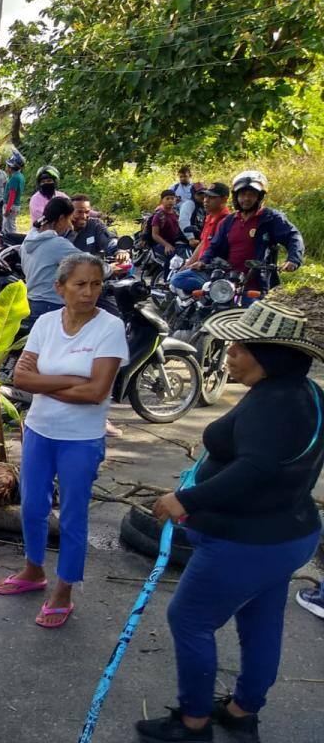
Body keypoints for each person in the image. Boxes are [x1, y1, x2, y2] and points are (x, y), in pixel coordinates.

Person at [140, 300, 323, 742]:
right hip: (287, 534)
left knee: (189, 619)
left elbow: (255, 469)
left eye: (239, 349)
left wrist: (186, 499)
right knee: (261, 621)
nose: (228, 355)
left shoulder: (274, 405)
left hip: (248, 542)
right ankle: (242, 711)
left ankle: (194, 721)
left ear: (267, 355)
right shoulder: (305, 391)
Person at [0, 253, 128, 629]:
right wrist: (73, 382)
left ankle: (64, 590)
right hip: (39, 430)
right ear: (60, 288)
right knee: (33, 506)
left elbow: (98, 392)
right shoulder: (47, 322)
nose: (89, 292)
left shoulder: (110, 328)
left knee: (72, 516)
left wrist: (50, 385)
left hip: (81, 439)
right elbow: (21, 379)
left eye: (96, 284)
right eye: (80, 284)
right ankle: (33, 571)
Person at [189, 170, 303, 295]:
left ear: (259, 197)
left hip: (256, 284)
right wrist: (203, 260)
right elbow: (215, 245)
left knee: (250, 313)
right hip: (226, 281)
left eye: (251, 195)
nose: (246, 199)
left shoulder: (270, 218)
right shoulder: (229, 220)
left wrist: (293, 259)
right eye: (242, 194)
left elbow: (293, 236)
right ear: (236, 197)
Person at [21, 197, 82, 318]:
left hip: (30, 304)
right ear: (61, 219)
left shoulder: (29, 239)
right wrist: (110, 268)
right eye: (69, 220)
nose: (70, 226)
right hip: (52, 306)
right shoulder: (57, 244)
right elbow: (87, 264)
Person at [170, 182, 232, 294]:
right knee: (175, 276)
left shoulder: (226, 221)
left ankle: (214, 291)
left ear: (224, 199)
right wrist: (187, 265)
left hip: (212, 268)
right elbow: (203, 243)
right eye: (206, 196)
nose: (206, 200)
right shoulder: (209, 217)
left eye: (211, 197)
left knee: (177, 279)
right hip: (202, 263)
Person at [149, 189, 190, 268]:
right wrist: (166, 245)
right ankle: (166, 278)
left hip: (175, 242)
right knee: (172, 258)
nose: (170, 201)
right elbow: (155, 235)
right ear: (162, 201)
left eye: (172, 198)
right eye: (167, 198)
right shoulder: (159, 215)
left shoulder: (177, 213)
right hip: (161, 244)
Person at [4, 157, 26, 233]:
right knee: (11, 224)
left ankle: (10, 241)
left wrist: (7, 209)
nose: (6, 168)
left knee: (8, 226)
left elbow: (12, 195)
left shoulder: (14, 178)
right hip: (16, 204)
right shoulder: (20, 176)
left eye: (7, 166)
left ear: (11, 167)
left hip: (11, 205)